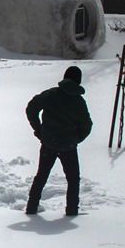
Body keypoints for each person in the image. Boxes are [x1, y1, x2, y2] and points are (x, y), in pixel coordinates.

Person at [24, 65, 92, 216]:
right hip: (69, 146)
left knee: (41, 176)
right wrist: (76, 138)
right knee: (73, 180)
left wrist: (39, 130)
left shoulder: (51, 94)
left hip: (49, 143)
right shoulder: (79, 101)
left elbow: (31, 109)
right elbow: (87, 125)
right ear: (78, 81)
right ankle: (72, 211)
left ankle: (31, 208)